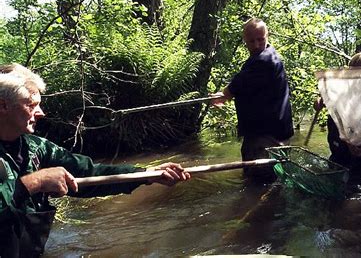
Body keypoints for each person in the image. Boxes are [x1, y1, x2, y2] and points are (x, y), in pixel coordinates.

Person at [0, 63, 191, 257]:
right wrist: (35, 182)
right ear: (3, 105)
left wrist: (146, 175)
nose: (41, 113)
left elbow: (89, 174)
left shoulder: (37, 148)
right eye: (31, 105)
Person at [211, 18, 294, 184]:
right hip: (269, 133)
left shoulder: (265, 60)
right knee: (268, 181)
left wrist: (224, 94)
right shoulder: (265, 56)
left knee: (258, 184)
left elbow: (239, 84)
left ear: (267, 36)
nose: (256, 45)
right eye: (251, 41)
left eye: (260, 39)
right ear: (245, 41)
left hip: (265, 136)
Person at [314, 52, 361, 184]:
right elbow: (329, 100)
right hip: (340, 153)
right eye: (355, 73)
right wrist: (320, 101)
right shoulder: (341, 92)